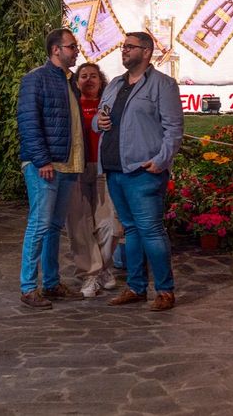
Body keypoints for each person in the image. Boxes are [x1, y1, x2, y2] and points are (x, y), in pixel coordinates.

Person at [94, 31, 184, 312]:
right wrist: (100, 121)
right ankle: (135, 287)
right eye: (123, 46)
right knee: (131, 230)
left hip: (143, 170)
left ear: (146, 52)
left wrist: (161, 160)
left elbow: (174, 129)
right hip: (114, 167)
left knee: (151, 230)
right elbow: (99, 119)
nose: (124, 51)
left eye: (130, 47)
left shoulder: (162, 85)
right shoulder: (115, 84)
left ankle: (165, 291)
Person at [16, 28, 85, 309]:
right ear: (56, 49)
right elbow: (29, 122)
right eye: (71, 46)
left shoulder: (69, 81)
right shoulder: (36, 79)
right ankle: (28, 287)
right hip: (46, 164)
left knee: (55, 226)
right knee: (39, 225)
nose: (76, 50)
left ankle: (52, 283)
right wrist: (42, 159)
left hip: (68, 163)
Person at [68, 62, 121, 298]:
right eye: (83, 76)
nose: (88, 80)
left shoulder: (109, 105)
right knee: (80, 225)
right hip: (76, 169)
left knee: (109, 223)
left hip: (103, 169)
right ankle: (90, 274)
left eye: (93, 76)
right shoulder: (71, 105)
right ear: (77, 81)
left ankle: (104, 268)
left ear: (101, 81)